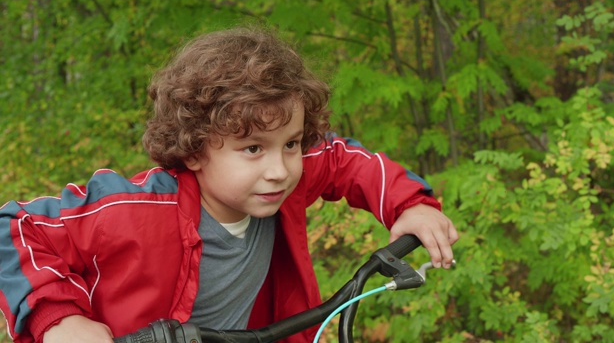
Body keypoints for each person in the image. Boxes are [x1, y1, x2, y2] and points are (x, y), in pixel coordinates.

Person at [0, 27, 458, 343]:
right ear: (196, 150)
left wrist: (409, 205)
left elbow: (342, 160)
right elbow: (14, 227)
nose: (279, 168)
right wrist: (60, 319)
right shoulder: (133, 208)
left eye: (291, 143)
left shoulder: (281, 180)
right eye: (253, 149)